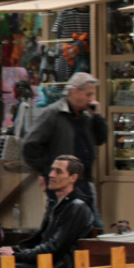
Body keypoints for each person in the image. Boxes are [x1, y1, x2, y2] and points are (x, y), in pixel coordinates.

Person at [0, 155, 92, 268]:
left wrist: (16, 255)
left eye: (58, 171)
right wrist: (14, 250)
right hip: (35, 260)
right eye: (52, 170)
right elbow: (37, 241)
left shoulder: (77, 207)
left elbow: (53, 249)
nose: (51, 175)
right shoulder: (55, 204)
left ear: (73, 178)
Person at [21, 72, 107, 230]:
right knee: (61, 224)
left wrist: (97, 116)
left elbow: (100, 139)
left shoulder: (86, 116)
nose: (91, 99)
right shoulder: (53, 114)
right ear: (75, 91)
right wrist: (47, 171)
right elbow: (30, 145)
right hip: (63, 183)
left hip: (84, 181)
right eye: (88, 94)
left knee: (92, 226)